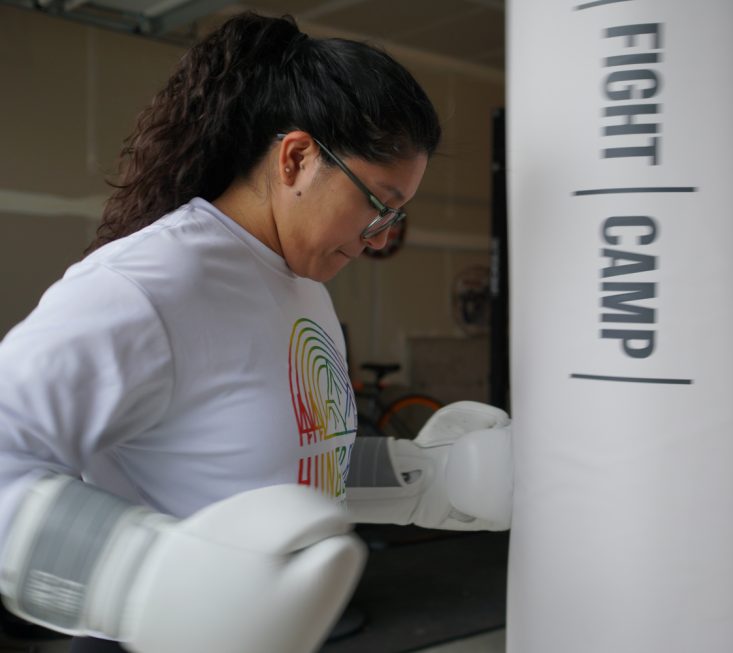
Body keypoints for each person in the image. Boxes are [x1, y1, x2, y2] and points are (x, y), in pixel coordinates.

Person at [0, 13, 512, 653]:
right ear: (297, 158)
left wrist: (422, 478)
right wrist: (142, 577)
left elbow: (288, 463)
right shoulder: (149, 282)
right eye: (378, 205)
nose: (380, 237)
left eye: (395, 216)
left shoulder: (304, 286)